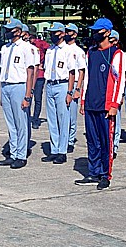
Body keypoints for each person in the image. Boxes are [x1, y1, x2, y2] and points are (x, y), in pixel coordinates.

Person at [76, 18, 125, 190]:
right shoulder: (91, 52)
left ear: (107, 32)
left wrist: (114, 104)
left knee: (106, 141)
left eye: (98, 31)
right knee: (92, 140)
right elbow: (87, 78)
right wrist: (83, 100)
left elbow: (120, 81)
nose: (95, 34)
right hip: (91, 103)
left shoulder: (116, 54)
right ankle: (93, 171)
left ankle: (105, 174)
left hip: (106, 106)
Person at [0, 19, 37, 169]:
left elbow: (30, 72)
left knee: (21, 122)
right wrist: (1, 92)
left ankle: (21, 155)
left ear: (18, 31)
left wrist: (28, 95)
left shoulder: (26, 48)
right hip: (6, 86)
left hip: (19, 86)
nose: (8, 32)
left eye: (11, 29)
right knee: (11, 123)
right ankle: (12, 153)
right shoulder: (5, 48)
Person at [42, 22, 76, 165]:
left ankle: (62, 151)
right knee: (52, 120)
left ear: (62, 34)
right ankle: (54, 149)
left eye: (54, 33)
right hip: (50, 84)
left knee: (63, 119)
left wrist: (70, 92)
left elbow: (72, 72)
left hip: (62, 85)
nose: (52, 36)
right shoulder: (50, 50)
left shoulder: (68, 50)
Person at [65, 23, 86, 153]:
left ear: (75, 34)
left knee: (71, 115)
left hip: (74, 85)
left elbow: (81, 71)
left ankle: (70, 140)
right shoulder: (61, 48)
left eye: (69, 31)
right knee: (62, 115)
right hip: (63, 84)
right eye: (66, 31)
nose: (67, 33)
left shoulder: (78, 51)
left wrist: (78, 89)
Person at [29, 28, 50, 129]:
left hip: (39, 75)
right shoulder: (26, 45)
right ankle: (28, 118)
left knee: (37, 98)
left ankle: (36, 119)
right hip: (29, 74)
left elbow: (50, 52)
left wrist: (44, 64)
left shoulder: (41, 43)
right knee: (28, 96)